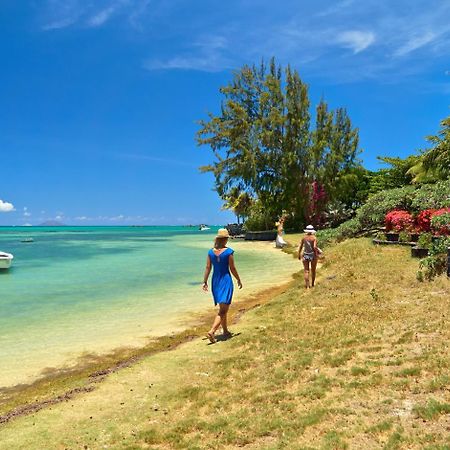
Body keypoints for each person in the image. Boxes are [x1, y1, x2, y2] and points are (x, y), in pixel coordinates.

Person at [202, 228, 242, 343]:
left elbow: (208, 268)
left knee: (222, 308)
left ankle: (225, 331)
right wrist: (238, 279)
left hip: (215, 281)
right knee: (223, 310)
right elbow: (232, 268)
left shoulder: (210, 252)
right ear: (225, 239)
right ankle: (212, 331)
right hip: (225, 280)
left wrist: (205, 281)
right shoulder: (229, 252)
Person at [298, 225, 319, 289]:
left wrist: (299, 254)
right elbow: (315, 247)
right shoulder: (314, 238)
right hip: (312, 255)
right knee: (313, 270)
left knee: (306, 271)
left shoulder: (304, 238)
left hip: (305, 255)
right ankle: (312, 284)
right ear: (312, 231)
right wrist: (316, 254)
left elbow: (301, 246)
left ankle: (307, 286)